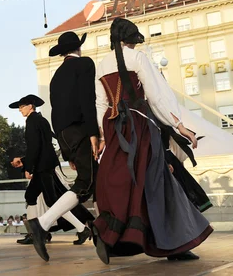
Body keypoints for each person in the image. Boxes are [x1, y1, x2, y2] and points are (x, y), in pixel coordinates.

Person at [91, 18, 212, 264]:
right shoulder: (138, 58)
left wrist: (103, 137)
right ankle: (176, 244)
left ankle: (108, 231)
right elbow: (157, 96)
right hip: (139, 126)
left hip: (114, 128)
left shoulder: (101, 64)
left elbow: (101, 104)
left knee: (121, 181)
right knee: (158, 181)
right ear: (131, 39)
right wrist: (178, 124)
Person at [27, 32, 98, 261]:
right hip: (80, 129)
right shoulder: (85, 64)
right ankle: (43, 223)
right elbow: (88, 99)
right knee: (85, 183)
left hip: (65, 134)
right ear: (79, 48)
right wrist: (94, 132)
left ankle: (102, 232)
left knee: (95, 179)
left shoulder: (56, 76)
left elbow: (56, 112)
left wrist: (67, 151)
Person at [10, 94, 90, 248]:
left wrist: (28, 167)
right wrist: (25, 161)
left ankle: (77, 229)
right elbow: (43, 147)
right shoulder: (41, 120)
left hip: (43, 167)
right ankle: (37, 232)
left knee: (51, 201)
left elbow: (35, 147)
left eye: (22, 106)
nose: (20, 110)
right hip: (45, 165)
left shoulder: (32, 121)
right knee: (33, 196)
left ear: (31, 106)